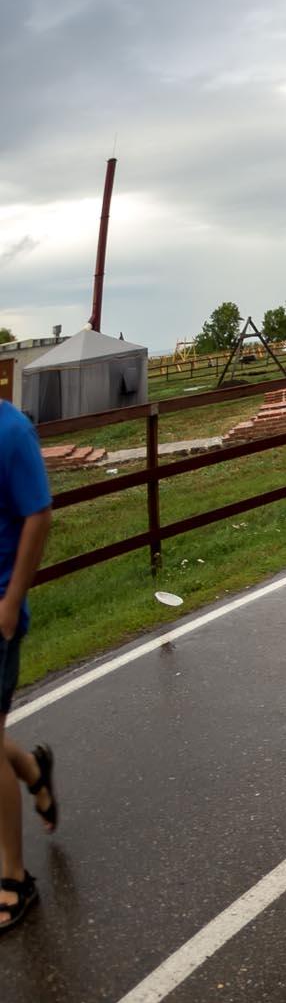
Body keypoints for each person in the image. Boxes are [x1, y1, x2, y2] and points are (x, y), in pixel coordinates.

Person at [0, 392, 57, 934]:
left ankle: (15, 878)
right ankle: (33, 773)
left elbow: (38, 516)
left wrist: (12, 602)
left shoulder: (10, 432)